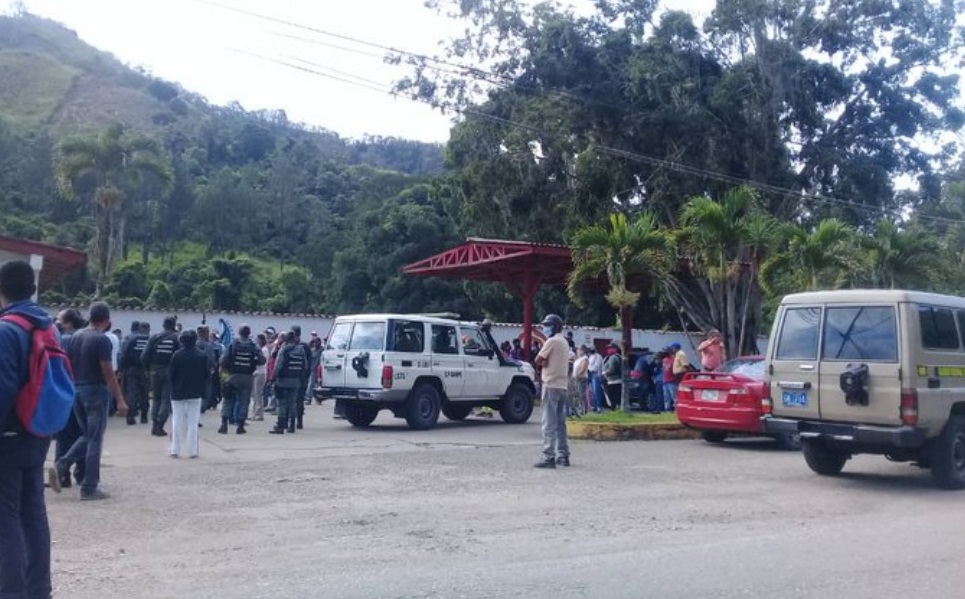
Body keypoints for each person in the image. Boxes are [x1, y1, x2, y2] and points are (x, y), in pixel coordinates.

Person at [0, 261, 65, 597]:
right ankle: (39, 588)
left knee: (5, 517)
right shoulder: (48, 326)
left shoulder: (6, 329)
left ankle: (11, 592)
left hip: (8, 436)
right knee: (33, 512)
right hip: (38, 432)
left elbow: (3, 387)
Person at [57, 301, 128, 500]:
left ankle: (63, 463)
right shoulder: (101, 340)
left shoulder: (76, 337)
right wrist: (120, 399)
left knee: (88, 435)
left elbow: (67, 365)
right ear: (106, 321)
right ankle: (89, 486)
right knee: (95, 439)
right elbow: (108, 372)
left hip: (77, 390)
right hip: (95, 391)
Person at [53, 308, 87, 489]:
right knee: (82, 432)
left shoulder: (63, 339)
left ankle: (62, 475)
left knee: (64, 435)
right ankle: (81, 474)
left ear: (67, 322)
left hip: (66, 391)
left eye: (59, 319)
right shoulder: (84, 337)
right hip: (82, 388)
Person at [534, 314, 570, 469]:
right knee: (561, 423)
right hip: (562, 386)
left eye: (547, 325)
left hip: (550, 384)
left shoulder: (551, 341)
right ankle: (563, 455)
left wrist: (544, 364)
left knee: (548, 422)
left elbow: (538, 359)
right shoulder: (564, 342)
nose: (544, 328)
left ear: (554, 327)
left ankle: (548, 456)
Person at [219, 325, 264, 435]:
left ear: (239, 333)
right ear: (249, 333)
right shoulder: (254, 346)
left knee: (228, 400)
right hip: (247, 377)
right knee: (244, 401)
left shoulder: (233, 345)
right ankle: (240, 426)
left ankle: (224, 424)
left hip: (233, 376)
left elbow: (223, 360)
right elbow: (262, 360)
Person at [168, 330, 207, 458]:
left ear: (181, 341)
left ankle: (175, 449)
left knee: (176, 420)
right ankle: (193, 450)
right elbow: (206, 374)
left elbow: (171, 374)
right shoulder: (202, 355)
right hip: (195, 392)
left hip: (178, 391)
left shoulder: (176, 355)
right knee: (193, 422)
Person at [142, 316, 179, 437]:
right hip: (170, 371)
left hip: (155, 370)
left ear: (163, 325)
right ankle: (160, 425)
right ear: (174, 325)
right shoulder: (176, 338)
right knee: (165, 399)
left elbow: (144, 356)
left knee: (156, 398)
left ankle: (154, 424)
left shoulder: (154, 337)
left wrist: (148, 369)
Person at [268, 332, 308, 435]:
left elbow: (278, 365)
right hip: (296, 381)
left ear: (286, 340)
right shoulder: (301, 350)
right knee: (293, 403)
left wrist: (272, 378)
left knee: (282, 403)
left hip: (283, 380)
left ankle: (280, 427)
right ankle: (292, 426)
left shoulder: (284, 349)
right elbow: (305, 366)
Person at [119, 321, 150, 426]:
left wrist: (122, 368)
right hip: (145, 370)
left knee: (131, 393)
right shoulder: (150, 340)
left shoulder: (131, 339)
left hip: (131, 369)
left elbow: (124, 353)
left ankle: (131, 417)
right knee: (144, 393)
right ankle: (144, 417)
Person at [250, 333, 270, 421]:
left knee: (258, 394)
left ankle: (259, 413)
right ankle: (254, 412)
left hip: (261, 372)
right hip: (256, 372)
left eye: (258, 339)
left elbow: (261, 361)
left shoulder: (264, 350)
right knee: (254, 394)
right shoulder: (258, 349)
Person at [603, 342, 623, 410]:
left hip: (613, 381)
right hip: (617, 380)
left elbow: (612, 369)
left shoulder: (613, 357)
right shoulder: (618, 356)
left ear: (615, 349)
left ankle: (614, 410)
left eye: (610, 348)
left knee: (612, 398)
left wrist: (605, 373)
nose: (608, 350)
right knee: (617, 398)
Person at [571, 345, 590, 416]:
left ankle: (584, 410)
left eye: (579, 349)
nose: (578, 351)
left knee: (582, 395)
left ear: (583, 350)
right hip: (576, 378)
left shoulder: (585, 359)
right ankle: (578, 410)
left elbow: (583, 369)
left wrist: (577, 375)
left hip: (581, 378)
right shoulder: (578, 359)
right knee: (577, 395)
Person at [587, 345, 605, 413]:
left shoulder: (598, 356)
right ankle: (594, 406)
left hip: (596, 375)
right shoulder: (590, 356)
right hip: (591, 375)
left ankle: (598, 406)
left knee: (597, 392)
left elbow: (596, 366)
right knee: (592, 392)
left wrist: (590, 369)